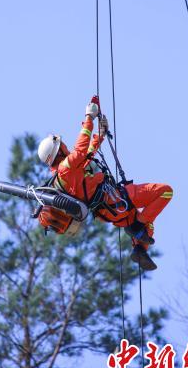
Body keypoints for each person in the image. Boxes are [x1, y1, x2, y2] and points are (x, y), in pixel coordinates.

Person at [37, 98, 173, 271]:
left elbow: (88, 154)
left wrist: (100, 134)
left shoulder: (64, 177)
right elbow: (81, 150)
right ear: (59, 151)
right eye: (62, 145)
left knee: (148, 224)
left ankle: (139, 248)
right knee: (165, 192)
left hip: (109, 212)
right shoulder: (66, 168)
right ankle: (137, 228)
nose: (66, 146)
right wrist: (89, 117)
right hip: (115, 199)